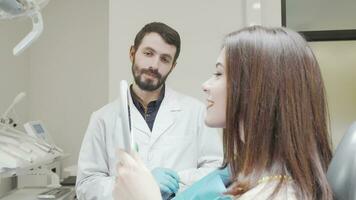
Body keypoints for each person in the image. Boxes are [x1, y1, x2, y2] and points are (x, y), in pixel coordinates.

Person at [113, 26, 334, 200]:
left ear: (255, 90)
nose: (205, 85)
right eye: (148, 53)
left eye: (218, 73)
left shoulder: (275, 194)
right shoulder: (254, 179)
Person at [76, 22, 223, 200]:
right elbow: (86, 185)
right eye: (148, 53)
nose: (154, 65)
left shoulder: (196, 112)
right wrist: (140, 184)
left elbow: (216, 172)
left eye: (165, 59)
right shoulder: (102, 118)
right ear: (132, 53)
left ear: (173, 66)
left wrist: (175, 181)